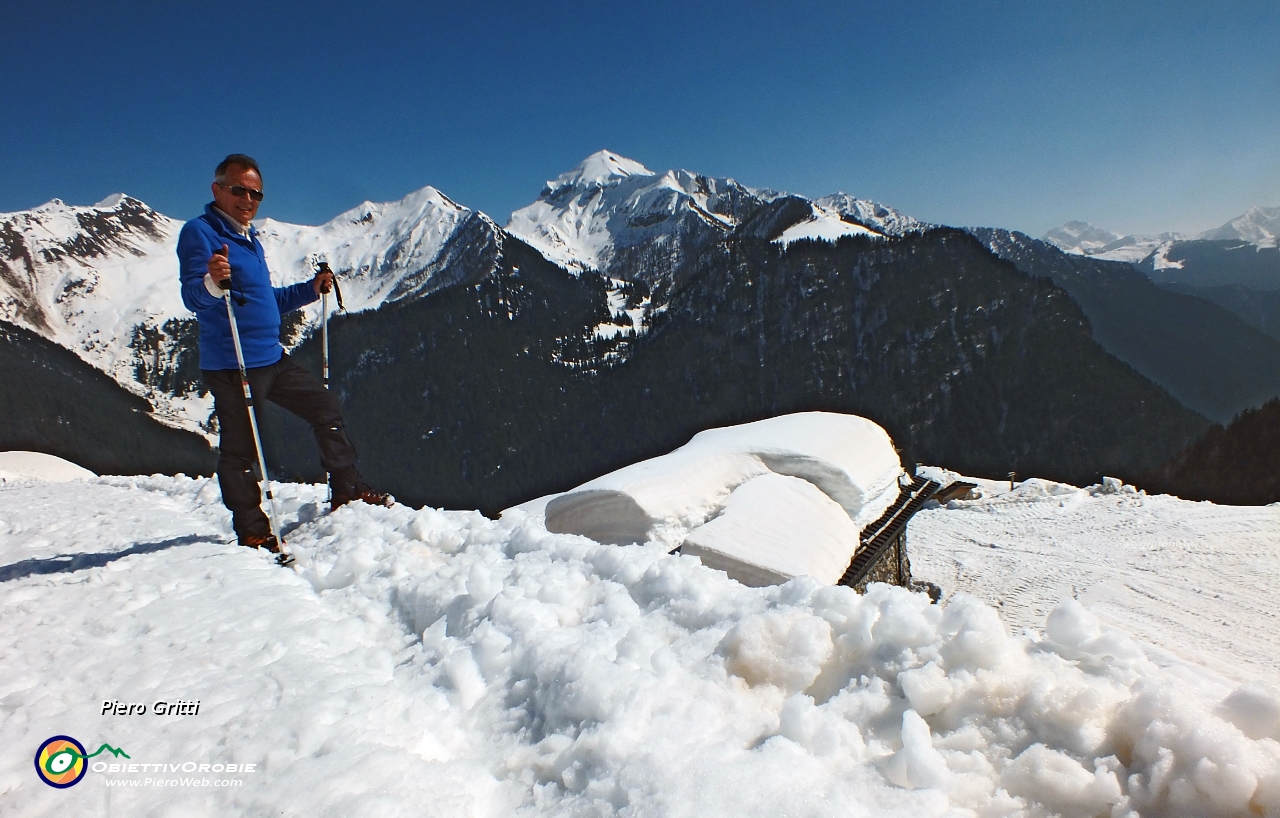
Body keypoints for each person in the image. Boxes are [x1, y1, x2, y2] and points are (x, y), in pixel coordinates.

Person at [178, 153, 390, 552]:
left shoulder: (248, 239)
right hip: (233, 363)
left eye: (255, 193)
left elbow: (264, 300)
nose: (248, 199)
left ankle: (347, 488)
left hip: (270, 357)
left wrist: (310, 291)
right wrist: (210, 281)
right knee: (241, 449)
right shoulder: (200, 232)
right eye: (239, 190)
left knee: (325, 407)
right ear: (217, 189)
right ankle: (253, 529)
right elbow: (194, 296)